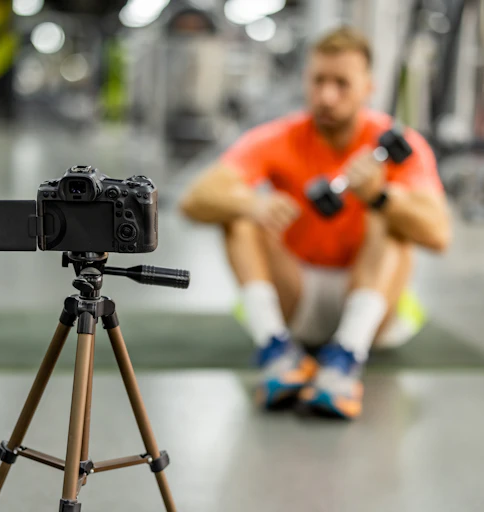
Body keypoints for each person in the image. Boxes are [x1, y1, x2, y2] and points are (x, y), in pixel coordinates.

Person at [179, 26, 451, 419]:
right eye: (319, 81)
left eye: (342, 84)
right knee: (238, 214)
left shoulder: (395, 143)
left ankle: (345, 359)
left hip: (372, 303)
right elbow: (194, 200)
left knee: (391, 215)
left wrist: (379, 195)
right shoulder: (278, 137)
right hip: (297, 298)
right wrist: (251, 204)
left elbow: (439, 235)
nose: (326, 96)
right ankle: (276, 351)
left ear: (368, 87)